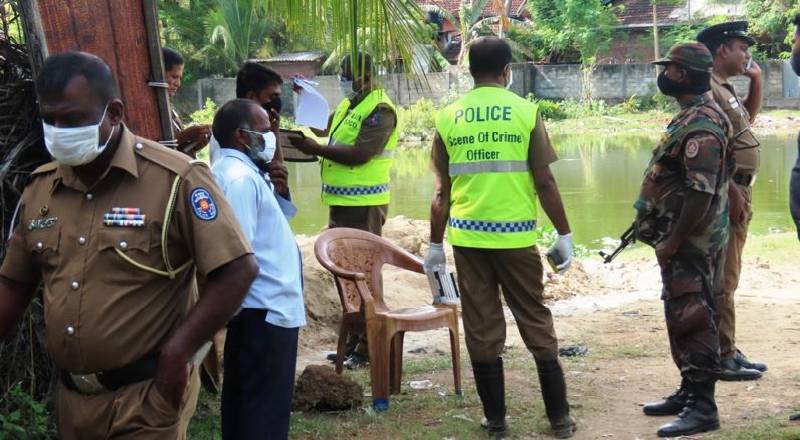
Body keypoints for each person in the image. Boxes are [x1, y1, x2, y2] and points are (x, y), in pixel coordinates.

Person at [0, 51, 258, 439]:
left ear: (115, 112)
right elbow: (13, 286)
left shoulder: (176, 180)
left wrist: (179, 351)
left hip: (147, 398)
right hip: (73, 401)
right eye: (49, 119)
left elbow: (237, 269)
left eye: (72, 120)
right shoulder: (41, 189)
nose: (59, 131)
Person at [425, 36, 576, 439]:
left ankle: (496, 422)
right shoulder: (526, 112)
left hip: (470, 242)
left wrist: (435, 245)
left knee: (482, 328)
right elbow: (544, 181)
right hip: (516, 242)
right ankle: (559, 420)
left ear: (470, 70)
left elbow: (442, 193)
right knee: (535, 320)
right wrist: (564, 233)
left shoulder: (448, 116)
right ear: (507, 70)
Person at [637, 43, 733, 437]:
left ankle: (703, 405)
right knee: (681, 314)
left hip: (691, 244)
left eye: (671, 69)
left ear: (683, 74)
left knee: (693, 318)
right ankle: (688, 390)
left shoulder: (702, 125)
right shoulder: (694, 115)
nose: (665, 75)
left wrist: (674, 241)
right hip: (687, 242)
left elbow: (701, 192)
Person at [292, 52, 399, 368]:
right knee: (347, 277)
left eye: (346, 73)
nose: (343, 79)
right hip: (341, 204)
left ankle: (367, 347)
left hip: (364, 205)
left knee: (364, 276)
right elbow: (325, 129)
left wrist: (314, 149)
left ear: (365, 75)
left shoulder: (380, 109)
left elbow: (360, 154)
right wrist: (306, 99)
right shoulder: (349, 105)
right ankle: (353, 342)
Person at [211, 99, 306, 440]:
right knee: (261, 415)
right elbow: (238, 255)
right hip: (262, 311)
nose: (272, 138)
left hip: (264, 310)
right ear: (241, 135)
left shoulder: (248, 172)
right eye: (265, 132)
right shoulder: (237, 178)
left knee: (250, 408)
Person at [697, 21, 767, 381]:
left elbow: (745, 125)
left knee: (730, 275)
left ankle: (728, 348)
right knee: (723, 279)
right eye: (742, 47)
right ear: (722, 49)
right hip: (729, 191)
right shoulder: (708, 89)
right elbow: (713, 150)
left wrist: (755, 81)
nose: (746, 54)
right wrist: (733, 191)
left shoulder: (725, 88)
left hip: (739, 189)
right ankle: (721, 355)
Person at [163, 47, 210, 156]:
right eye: (174, 77)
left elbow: (175, 153)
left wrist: (192, 146)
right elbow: (151, 149)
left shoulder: (170, 108)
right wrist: (184, 136)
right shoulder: (147, 110)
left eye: (179, 78)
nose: (178, 84)